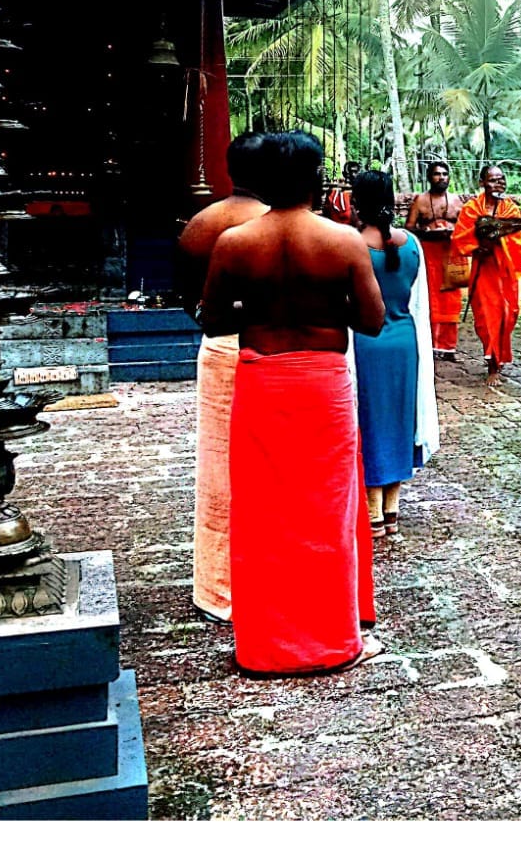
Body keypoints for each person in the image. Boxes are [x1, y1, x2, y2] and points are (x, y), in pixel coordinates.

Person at [200, 131, 385, 675]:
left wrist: (257, 308)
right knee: (327, 511)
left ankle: (264, 644)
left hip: (261, 377)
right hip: (323, 384)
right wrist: (326, 307)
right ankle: (333, 639)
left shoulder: (234, 243)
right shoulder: (343, 242)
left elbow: (212, 319)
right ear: (315, 181)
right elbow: (372, 321)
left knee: (262, 512)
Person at [175, 131, 270, 623]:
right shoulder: (272, 227)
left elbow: (188, 298)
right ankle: (268, 580)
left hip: (216, 347)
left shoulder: (201, 224)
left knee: (217, 473)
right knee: (272, 473)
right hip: (268, 350)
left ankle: (217, 588)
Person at [351, 170, 440, 542]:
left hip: (366, 342)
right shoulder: (413, 244)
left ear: (357, 203)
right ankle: (392, 511)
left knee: (371, 423)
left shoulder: (353, 244)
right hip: (406, 341)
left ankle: (371, 513)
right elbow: (419, 300)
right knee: (401, 419)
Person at [451, 163, 521, 388]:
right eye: (493, 180)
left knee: (508, 314)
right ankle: (492, 365)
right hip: (484, 271)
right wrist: (477, 247)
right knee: (487, 318)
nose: (499, 183)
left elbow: (518, 239)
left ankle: (499, 356)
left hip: (505, 270)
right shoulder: (472, 208)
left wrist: (499, 239)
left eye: (501, 179)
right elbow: (459, 238)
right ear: (482, 183)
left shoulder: (511, 209)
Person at [407, 161, 466, 360]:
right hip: (429, 254)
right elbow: (409, 227)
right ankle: (430, 344)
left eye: (444, 174)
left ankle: (449, 347)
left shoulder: (457, 201)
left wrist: (452, 231)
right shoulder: (420, 200)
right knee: (430, 298)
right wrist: (427, 231)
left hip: (452, 255)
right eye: (436, 174)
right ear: (429, 177)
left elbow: (467, 228)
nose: (441, 177)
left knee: (452, 300)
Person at [323, 160, 362, 225]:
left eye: (355, 172)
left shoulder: (362, 190)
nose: (352, 175)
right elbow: (327, 210)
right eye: (349, 172)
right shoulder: (334, 191)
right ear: (344, 174)